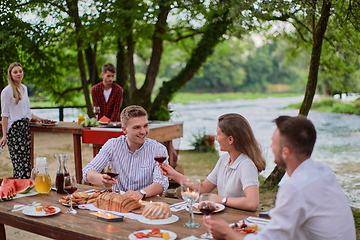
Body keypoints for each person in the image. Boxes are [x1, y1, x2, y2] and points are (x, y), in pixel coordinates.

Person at [204, 115, 356, 240]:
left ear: (286, 152)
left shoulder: (295, 187)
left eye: (273, 143)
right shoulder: (323, 172)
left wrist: (227, 233)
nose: (270, 147)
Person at [161, 113, 266, 211]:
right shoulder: (224, 159)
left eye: (218, 134)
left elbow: (252, 203)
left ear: (230, 140)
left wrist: (222, 200)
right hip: (225, 217)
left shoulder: (246, 165)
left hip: (240, 221)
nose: (216, 138)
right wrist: (173, 174)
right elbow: (203, 189)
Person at [82, 105, 169, 200]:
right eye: (137, 127)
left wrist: (141, 193)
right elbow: (88, 171)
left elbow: (162, 183)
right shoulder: (113, 145)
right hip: (118, 202)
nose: (143, 131)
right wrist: (102, 179)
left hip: (146, 203)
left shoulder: (158, 149)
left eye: (145, 126)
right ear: (124, 130)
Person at [1, 62, 45, 179]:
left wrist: (37, 118)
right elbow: (4, 115)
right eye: (15, 72)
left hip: (25, 127)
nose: (18, 74)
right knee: (19, 163)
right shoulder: (7, 91)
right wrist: (4, 135)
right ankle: (19, 188)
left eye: (20, 71)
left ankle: (25, 188)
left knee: (27, 161)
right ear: (10, 74)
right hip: (14, 129)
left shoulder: (24, 88)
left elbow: (26, 111)